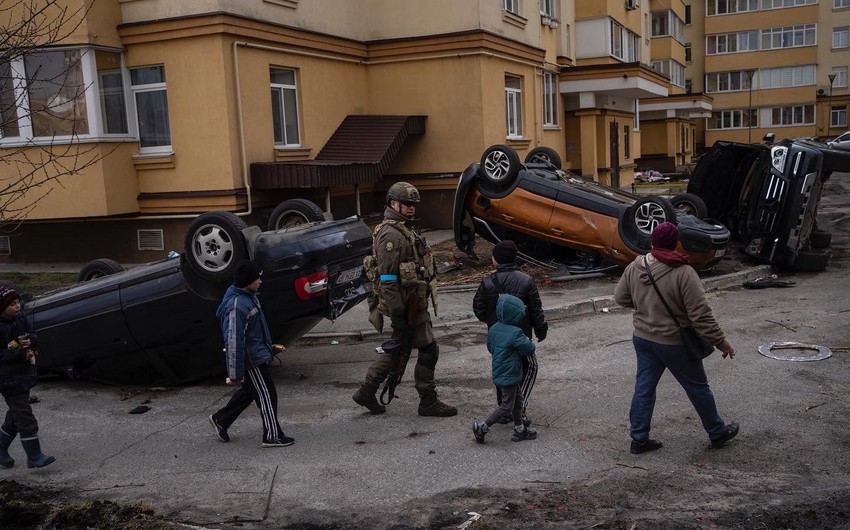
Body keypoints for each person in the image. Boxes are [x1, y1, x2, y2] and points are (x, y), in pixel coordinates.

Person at [613, 222, 739, 454]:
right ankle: (717, 432)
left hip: (643, 339)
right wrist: (722, 342)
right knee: (697, 387)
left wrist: (644, 306)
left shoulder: (636, 265)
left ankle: (639, 439)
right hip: (673, 342)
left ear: (653, 242)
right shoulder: (683, 272)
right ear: (675, 243)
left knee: (644, 389)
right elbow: (701, 316)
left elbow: (620, 297)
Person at [353, 182, 457, 417]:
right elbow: (388, 279)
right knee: (426, 350)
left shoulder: (404, 229)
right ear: (393, 204)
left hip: (412, 303)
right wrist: (399, 314)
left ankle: (367, 391)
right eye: (407, 204)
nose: (411, 208)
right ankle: (427, 401)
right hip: (406, 306)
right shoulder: (391, 235)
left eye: (413, 204)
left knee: (398, 349)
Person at [208, 260, 293, 448]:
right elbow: (233, 341)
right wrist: (235, 373)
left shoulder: (248, 295)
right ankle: (271, 435)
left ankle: (221, 420)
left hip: (255, 353)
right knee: (267, 394)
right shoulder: (237, 306)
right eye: (257, 278)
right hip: (251, 358)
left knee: (251, 392)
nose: (261, 281)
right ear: (247, 281)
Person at [472, 240, 546, 426]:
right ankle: (518, 409)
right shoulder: (526, 280)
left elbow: (479, 310)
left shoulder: (487, 282)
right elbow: (536, 309)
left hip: (496, 336)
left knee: (503, 369)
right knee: (527, 368)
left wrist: (492, 321)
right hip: (521, 334)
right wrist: (541, 329)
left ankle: (504, 407)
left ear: (496, 260)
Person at [0, 286, 55, 468]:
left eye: (18, 303)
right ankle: (34, 456)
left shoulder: (20, 318)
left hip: (24, 374)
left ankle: (0, 449)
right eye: (12, 304)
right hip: (8, 380)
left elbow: (33, 334)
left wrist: (31, 341)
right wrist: (20, 355)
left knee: (16, 416)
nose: (17, 307)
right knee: (25, 416)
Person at [472, 294, 537, 443]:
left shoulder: (494, 328)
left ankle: (519, 429)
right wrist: (528, 341)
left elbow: (490, 347)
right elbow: (529, 349)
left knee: (518, 401)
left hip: (500, 370)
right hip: (510, 373)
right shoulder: (516, 333)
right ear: (515, 314)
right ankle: (482, 427)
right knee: (507, 406)